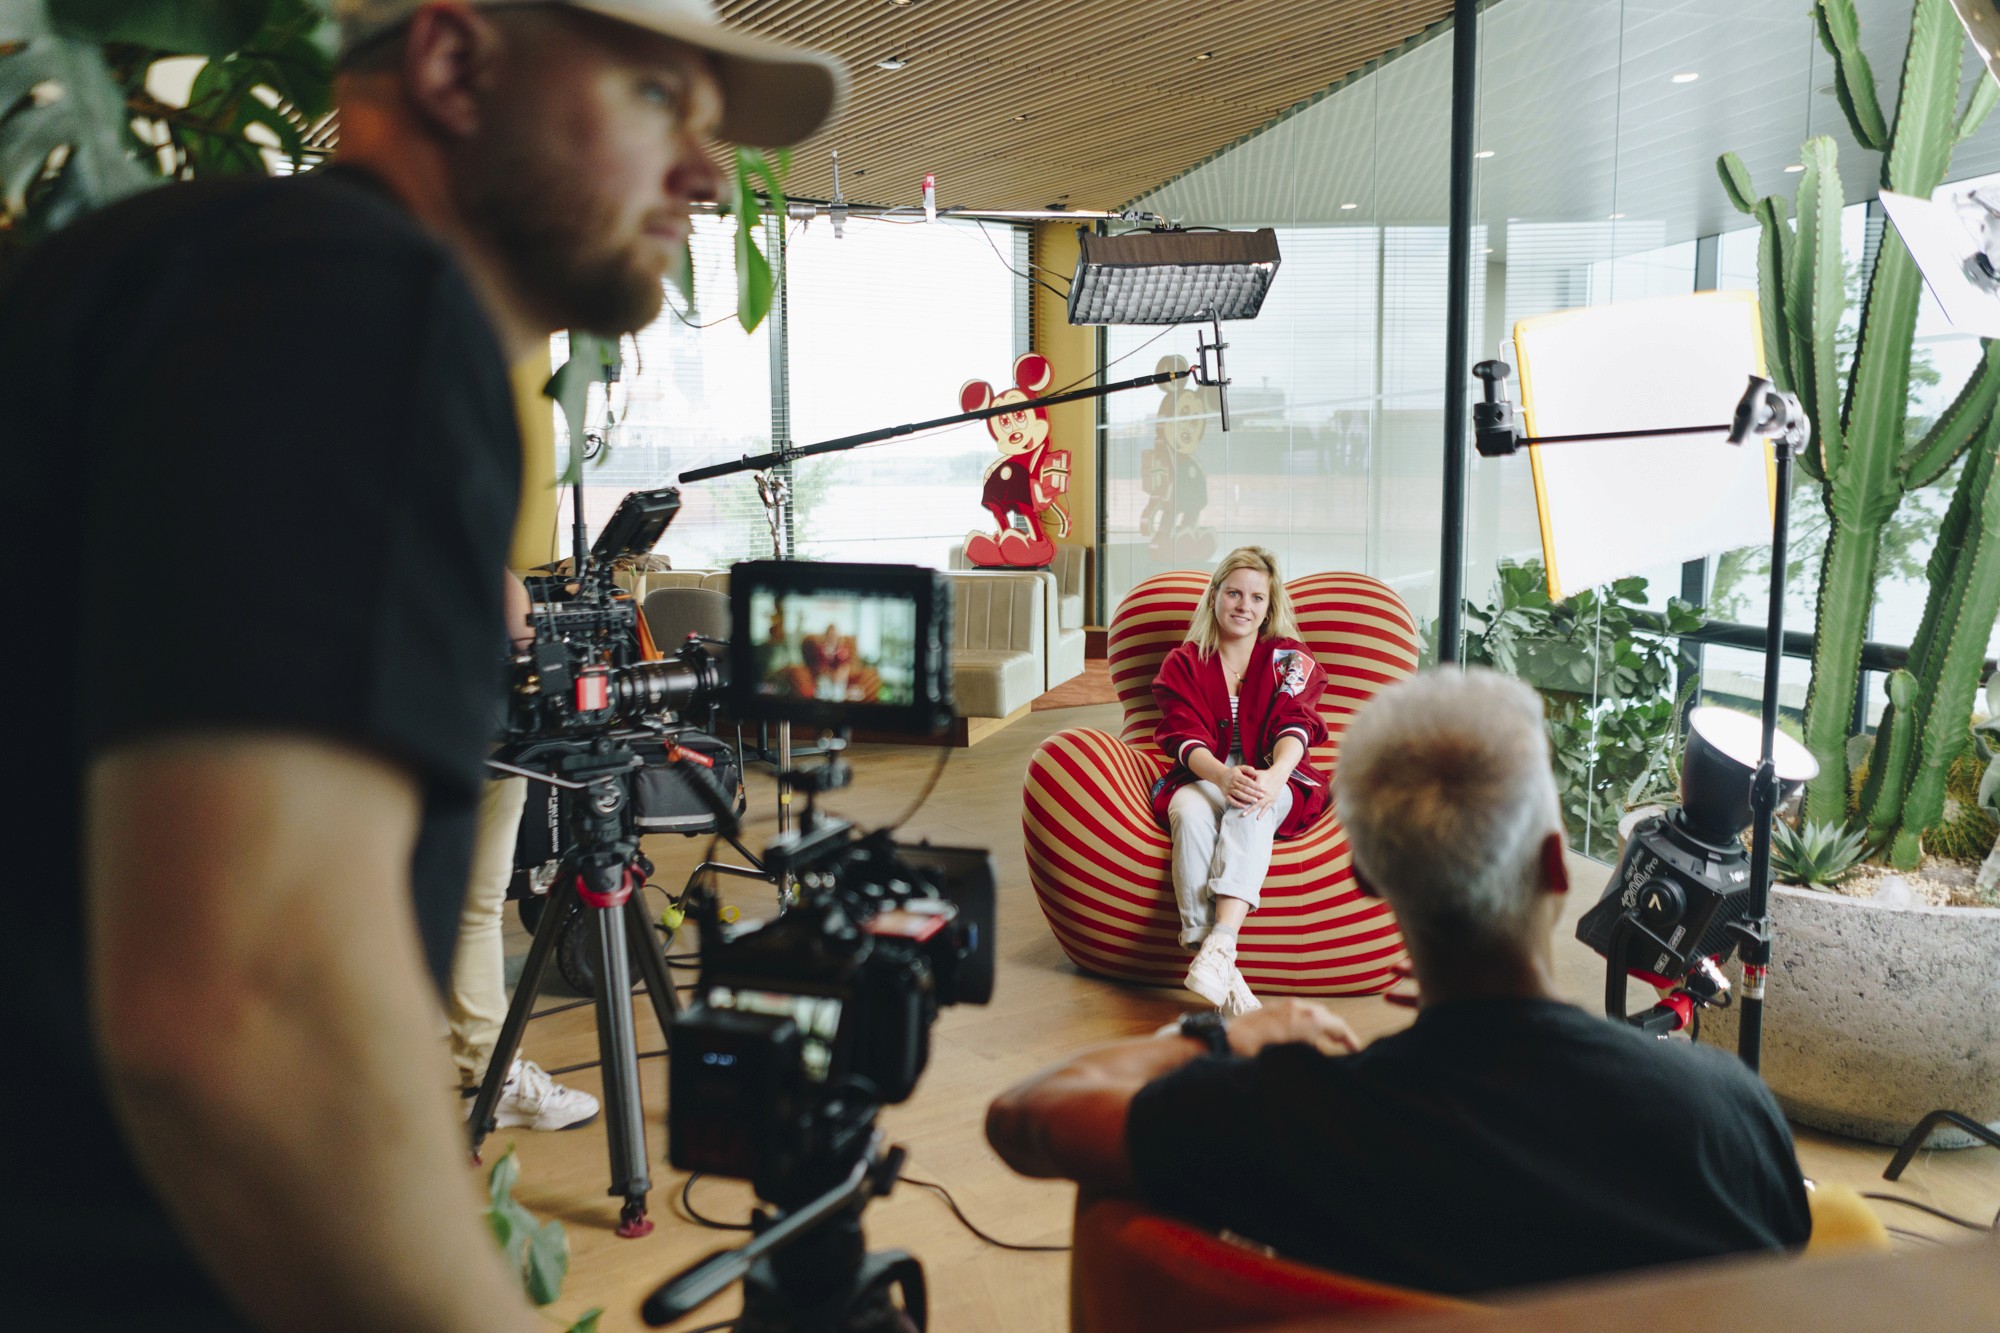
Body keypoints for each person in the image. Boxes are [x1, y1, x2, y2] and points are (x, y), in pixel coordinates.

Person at [0, 2, 841, 1327]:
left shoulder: (159, 270)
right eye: (654, 98)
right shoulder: (363, 303)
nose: (705, 171)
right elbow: (247, 1009)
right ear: (452, 64)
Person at [987, 668, 1813, 1297]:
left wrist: (1221, 1034)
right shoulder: (1727, 1114)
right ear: (1557, 868)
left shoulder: (1296, 1117)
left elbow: (1026, 1117)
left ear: (1366, 879)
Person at [445, 572, 598, 1131]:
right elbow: (508, 600)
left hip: (392, 721)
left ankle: (477, 1063)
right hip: (478, 720)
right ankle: (493, 1076)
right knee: (475, 905)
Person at [1150, 546, 1329, 1016]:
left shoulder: (1290, 659)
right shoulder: (1184, 662)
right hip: (1206, 770)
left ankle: (1221, 941)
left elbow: (1296, 724)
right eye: (1233, 593)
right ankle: (1219, 968)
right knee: (1188, 810)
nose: (1243, 606)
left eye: (1256, 598)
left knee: (1252, 803)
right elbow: (1181, 735)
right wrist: (1223, 775)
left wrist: (1274, 777)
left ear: (1269, 607)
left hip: (1277, 770)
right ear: (1214, 596)